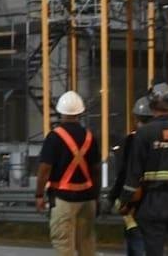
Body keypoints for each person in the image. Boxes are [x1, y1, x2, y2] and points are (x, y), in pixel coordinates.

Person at [119, 83, 168, 256]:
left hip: (153, 201)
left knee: (153, 250)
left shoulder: (144, 133)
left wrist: (124, 201)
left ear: (151, 103)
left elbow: (133, 174)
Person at [36, 91, 100, 256]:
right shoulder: (90, 137)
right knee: (87, 247)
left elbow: (44, 170)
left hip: (63, 200)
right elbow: (96, 170)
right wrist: (96, 197)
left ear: (60, 111)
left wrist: (39, 195)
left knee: (64, 246)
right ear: (80, 112)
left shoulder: (54, 137)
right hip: (88, 200)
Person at [110, 97, 155, 256]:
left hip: (135, 199)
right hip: (160, 200)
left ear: (135, 117)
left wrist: (115, 198)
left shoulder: (131, 140)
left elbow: (123, 173)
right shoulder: (161, 138)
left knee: (135, 241)